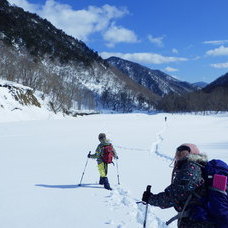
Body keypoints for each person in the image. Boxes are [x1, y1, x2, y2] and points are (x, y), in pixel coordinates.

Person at [142, 143, 215, 227]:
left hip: (198, 222)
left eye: (183, 153)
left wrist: (151, 199)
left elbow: (174, 196)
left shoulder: (190, 168)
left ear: (193, 154)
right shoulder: (197, 167)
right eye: (178, 153)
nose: (179, 156)